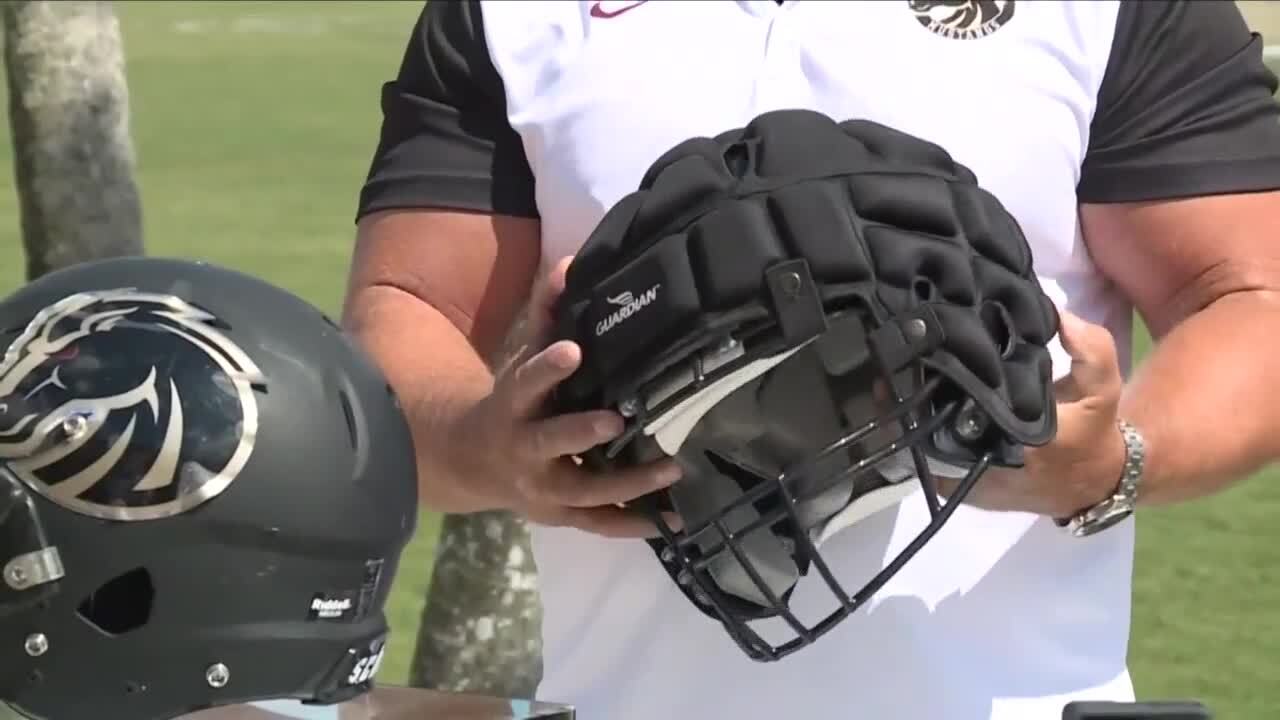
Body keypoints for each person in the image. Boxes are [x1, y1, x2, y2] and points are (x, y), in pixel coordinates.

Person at [341, 2, 1280, 719]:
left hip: (1014, 700)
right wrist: (479, 447)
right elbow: (405, 315)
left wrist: (1116, 461)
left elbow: (1249, 297)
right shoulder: (507, 15)